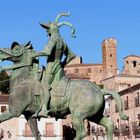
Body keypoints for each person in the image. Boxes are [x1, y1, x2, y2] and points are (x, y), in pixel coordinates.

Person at [33, 12, 76, 118]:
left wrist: (34, 55)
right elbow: (71, 55)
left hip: (51, 68)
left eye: (47, 29)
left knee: (45, 87)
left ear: (51, 30)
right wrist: (62, 64)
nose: (46, 32)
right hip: (59, 69)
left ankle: (43, 109)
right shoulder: (62, 41)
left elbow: (47, 52)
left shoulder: (52, 39)